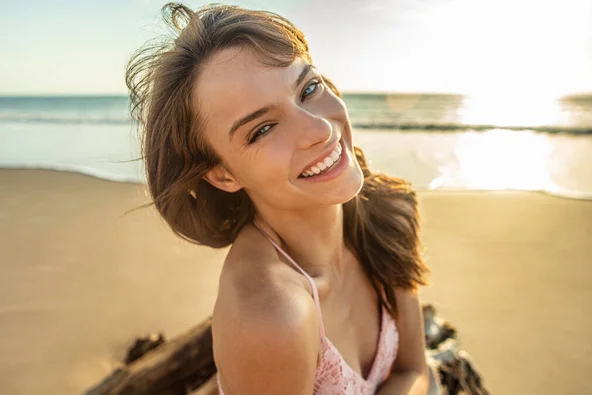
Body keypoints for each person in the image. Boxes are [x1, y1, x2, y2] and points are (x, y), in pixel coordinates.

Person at [125, 3, 440, 394]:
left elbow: (412, 369)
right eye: (263, 129)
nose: (320, 129)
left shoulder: (389, 212)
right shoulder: (271, 314)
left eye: (308, 88)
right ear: (223, 174)